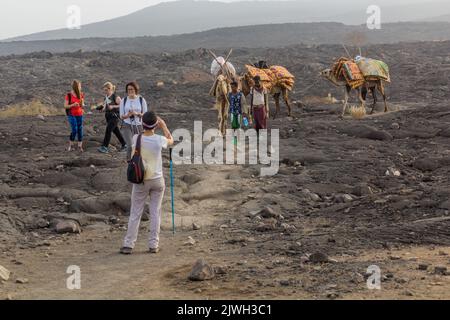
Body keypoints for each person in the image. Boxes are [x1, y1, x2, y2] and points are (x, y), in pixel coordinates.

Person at [120, 111, 174, 254]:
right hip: (157, 180)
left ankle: (128, 244)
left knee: (135, 212)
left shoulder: (136, 138)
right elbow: (171, 140)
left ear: (143, 124)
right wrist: (164, 126)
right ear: (155, 125)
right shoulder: (159, 140)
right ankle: (153, 245)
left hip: (141, 180)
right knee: (156, 212)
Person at [119, 81, 148, 161]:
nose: (130, 91)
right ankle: (129, 162)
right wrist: (128, 115)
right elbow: (121, 116)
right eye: (128, 90)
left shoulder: (141, 100)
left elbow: (145, 115)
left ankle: (138, 162)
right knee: (130, 145)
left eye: (132, 89)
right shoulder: (123, 100)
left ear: (135, 89)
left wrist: (136, 114)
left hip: (139, 125)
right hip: (126, 125)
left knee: (138, 146)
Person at [97, 82, 127, 153]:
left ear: (110, 89)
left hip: (115, 116)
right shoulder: (106, 97)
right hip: (108, 117)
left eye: (106, 90)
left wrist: (113, 106)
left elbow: (122, 105)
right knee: (116, 132)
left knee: (108, 130)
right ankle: (124, 144)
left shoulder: (115, 96)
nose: (105, 91)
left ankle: (105, 147)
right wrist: (101, 109)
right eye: (104, 90)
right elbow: (105, 107)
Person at [64, 80, 85, 152]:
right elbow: (65, 106)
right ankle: (71, 145)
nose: (80, 87)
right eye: (79, 86)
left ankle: (80, 146)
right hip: (71, 114)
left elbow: (82, 105)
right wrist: (73, 104)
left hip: (79, 114)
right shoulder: (69, 95)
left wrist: (81, 104)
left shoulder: (81, 94)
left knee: (80, 129)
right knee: (74, 129)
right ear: (76, 87)